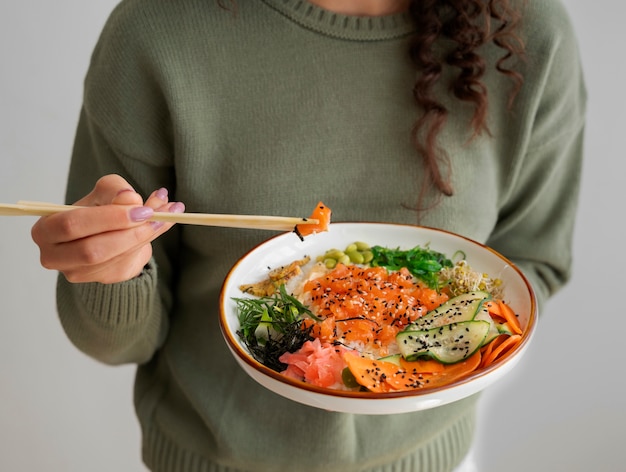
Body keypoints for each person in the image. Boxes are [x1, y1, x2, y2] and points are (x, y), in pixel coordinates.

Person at [30, 0, 586, 471]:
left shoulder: (524, 34)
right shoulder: (156, 29)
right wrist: (112, 271)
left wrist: (422, 357)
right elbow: (119, 341)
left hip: (431, 455)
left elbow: (532, 261)